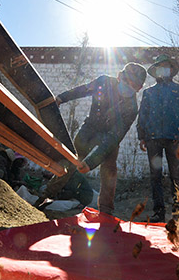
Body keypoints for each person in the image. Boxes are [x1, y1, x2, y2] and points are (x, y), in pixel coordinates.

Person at [36, 63, 147, 215]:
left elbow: (115, 137)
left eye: (134, 85)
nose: (129, 86)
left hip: (110, 138)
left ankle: (106, 210)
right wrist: (62, 97)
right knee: (70, 161)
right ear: (120, 76)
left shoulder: (132, 108)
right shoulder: (104, 82)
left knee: (109, 169)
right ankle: (45, 196)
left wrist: (91, 162)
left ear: (139, 88)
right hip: (90, 129)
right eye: (127, 81)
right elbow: (83, 89)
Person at [137, 54, 179, 223]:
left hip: (175, 138)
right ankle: (159, 213)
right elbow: (143, 115)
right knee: (155, 176)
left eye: (166, 67)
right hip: (153, 139)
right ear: (155, 72)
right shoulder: (149, 93)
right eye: (160, 67)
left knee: (176, 176)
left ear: (172, 71)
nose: (164, 70)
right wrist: (142, 136)